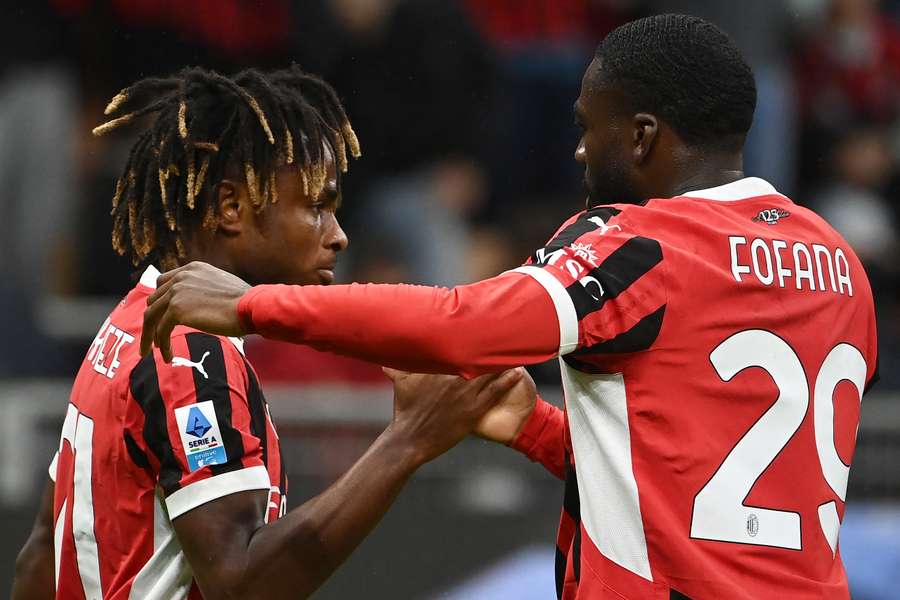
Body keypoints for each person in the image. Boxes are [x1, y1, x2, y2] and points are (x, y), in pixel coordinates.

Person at [141, 16, 878, 600]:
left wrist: (255, 305)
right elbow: (710, 489)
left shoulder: (641, 244)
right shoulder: (840, 264)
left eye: (591, 127)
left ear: (644, 136)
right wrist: (534, 428)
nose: (583, 153)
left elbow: (465, 326)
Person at [11, 65, 523, 600]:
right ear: (233, 207)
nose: (339, 237)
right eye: (316, 208)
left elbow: (41, 555)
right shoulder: (191, 355)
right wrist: (409, 440)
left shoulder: (130, 320)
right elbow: (241, 586)